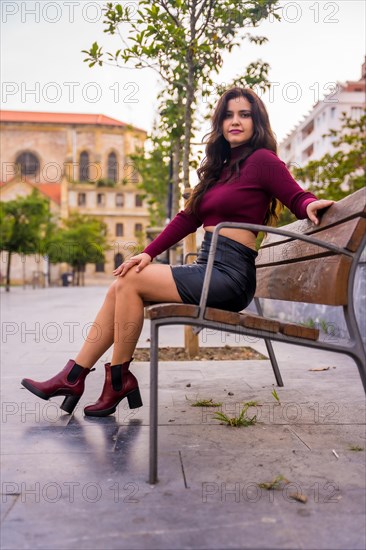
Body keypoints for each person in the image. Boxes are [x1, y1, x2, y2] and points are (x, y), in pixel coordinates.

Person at [21, 87, 333, 417]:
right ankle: (75, 376)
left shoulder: (263, 161)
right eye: (228, 115)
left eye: (244, 114)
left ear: (257, 122)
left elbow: (297, 197)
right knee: (122, 282)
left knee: (130, 283)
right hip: (208, 267)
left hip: (231, 276)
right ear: (220, 123)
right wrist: (147, 253)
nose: (235, 121)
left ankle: (112, 380)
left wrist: (311, 204)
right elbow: (188, 217)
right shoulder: (219, 169)